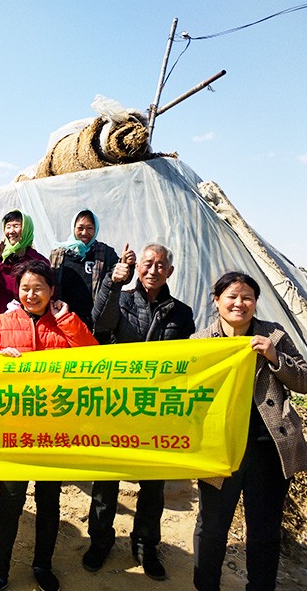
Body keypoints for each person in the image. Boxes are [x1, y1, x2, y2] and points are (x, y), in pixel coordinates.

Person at [0, 261, 97, 591]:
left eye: (38, 288)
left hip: (53, 430)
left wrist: (67, 320)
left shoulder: (65, 323)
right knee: (10, 501)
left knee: (49, 501)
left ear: (51, 291)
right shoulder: (1, 323)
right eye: (25, 288)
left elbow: (93, 358)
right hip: (13, 429)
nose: (31, 295)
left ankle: (43, 565)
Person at [84, 243, 195, 579]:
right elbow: (100, 324)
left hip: (154, 409)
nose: (153, 270)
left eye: (161, 265)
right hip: (116, 405)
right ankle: (100, 540)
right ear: (138, 267)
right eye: (148, 263)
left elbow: (188, 360)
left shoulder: (181, 313)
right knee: (107, 478)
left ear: (169, 272)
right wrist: (112, 282)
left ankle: (146, 544)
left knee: (152, 483)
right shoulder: (123, 299)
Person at [192, 272, 307, 591]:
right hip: (220, 450)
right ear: (217, 300)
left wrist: (275, 358)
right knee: (212, 527)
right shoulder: (200, 343)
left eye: (247, 298)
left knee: (264, 531)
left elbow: (304, 381)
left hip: (268, 449)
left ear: (255, 302)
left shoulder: (275, 336)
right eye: (232, 296)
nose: (239, 303)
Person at [49, 209, 131, 337]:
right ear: (73, 228)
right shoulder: (58, 254)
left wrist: (128, 266)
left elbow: (120, 277)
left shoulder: (105, 253)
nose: (84, 233)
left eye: (89, 228)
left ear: (96, 229)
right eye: (80, 228)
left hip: (95, 324)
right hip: (65, 320)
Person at [0, 209, 48, 328]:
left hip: (29, 320)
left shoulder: (38, 260)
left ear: (26, 229)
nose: (11, 231)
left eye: (16, 226)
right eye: (8, 227)